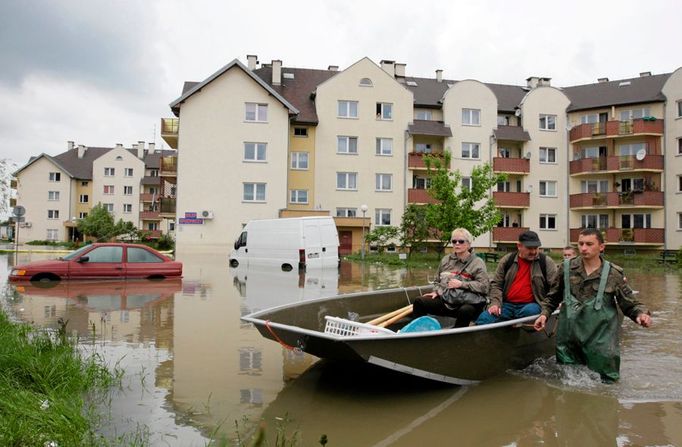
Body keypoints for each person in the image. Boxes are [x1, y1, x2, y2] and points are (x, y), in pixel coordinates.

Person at [533, 228, 652, 382]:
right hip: (569, 341)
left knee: (606, 385)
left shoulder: (613, 273)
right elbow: (552, 297)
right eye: (580, 244)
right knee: (568, 383)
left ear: (601, 247)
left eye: (589, 244)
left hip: (601, 343)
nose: (583, 248)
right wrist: (544, 315)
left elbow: (629, 303)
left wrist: (641, 315)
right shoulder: (565, 268)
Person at [476, 230, 557, 325]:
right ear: (519, 246)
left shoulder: (546, 262)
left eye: (536, 248)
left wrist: (548, 307)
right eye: (530, 248)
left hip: (533, 304)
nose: (534, 252)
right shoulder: (507, 260)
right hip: (506, 305)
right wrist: (495, 303)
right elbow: (496, 285)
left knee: (530, 312)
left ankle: (515, 329)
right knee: (484, 319)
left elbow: (555, 287)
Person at [413, 228, 489, 327]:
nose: (457, 244)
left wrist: (462, 284)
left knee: (465, 311)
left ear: (469, 244)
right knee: (419, 302)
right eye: (454, 241)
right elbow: (436, 281)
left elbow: (484, 287)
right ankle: (419, 331)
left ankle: (456, 337)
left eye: (461, 241)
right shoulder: (445, 260)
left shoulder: (477, 262)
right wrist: (436, 291)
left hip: (468, 303)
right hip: (448, 301)